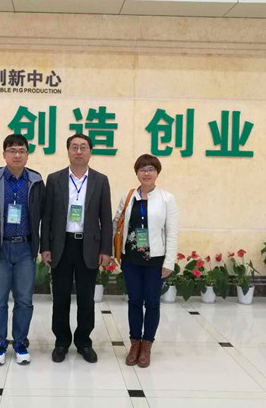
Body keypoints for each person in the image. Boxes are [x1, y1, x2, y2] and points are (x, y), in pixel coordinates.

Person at [41, 133, 112, 364]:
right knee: (60, 297)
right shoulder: (55, 179)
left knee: (86, 298)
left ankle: (83, 342)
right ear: (68, 151)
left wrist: (105, 250)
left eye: (83, 147)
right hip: (61, 245)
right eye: (74, 147)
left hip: (89, 246)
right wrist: (45, 246)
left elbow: (105, 218)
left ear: (90, 151)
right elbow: (47, 216)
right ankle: (61, 342)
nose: (79, 151)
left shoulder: (101, 180)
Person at [0, 134, 45, 366]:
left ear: (27, 154)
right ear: (4, 154)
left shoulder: (35, 182)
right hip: (0, 249)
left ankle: (20, 343)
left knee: (24, 300)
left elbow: (43, 212)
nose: (17, 155)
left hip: (25, 248)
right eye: (12, 150)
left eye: (21, 151)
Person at [112, 154, 178, 368]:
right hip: (131, 258)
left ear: (157, 173)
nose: (146, 173)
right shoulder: (128, 196)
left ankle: (147, 345)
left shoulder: (167, 198)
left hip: (155, 260)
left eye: (151, 169)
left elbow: (172, 232)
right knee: (134, 301)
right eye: (142, 169)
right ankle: (134, 344)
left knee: (152, 302)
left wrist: (169, 262)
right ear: (137, 173)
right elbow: (116, 223)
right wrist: (112, 251)